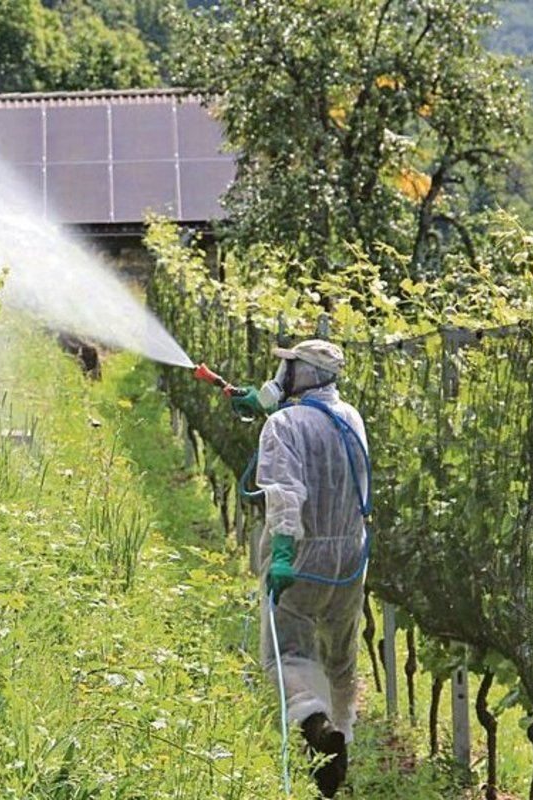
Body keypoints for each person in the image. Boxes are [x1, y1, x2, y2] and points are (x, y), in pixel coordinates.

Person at [235, 339, 368, 799]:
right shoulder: (352, 418)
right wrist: (259, 403)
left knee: (287, 653)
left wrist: (286, 554)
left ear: (306, 374)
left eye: (288, 366)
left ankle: (315, 723)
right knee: (341, 657)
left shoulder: (284, 425)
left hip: (304, 557)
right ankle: (341, 741)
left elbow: (285, 495)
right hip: (349, 562)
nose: (281, 373)